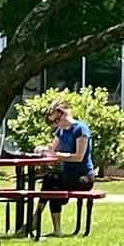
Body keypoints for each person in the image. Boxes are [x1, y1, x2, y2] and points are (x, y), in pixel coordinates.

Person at [34, 100, 94, 238]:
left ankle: (36, 219)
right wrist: (43, 150)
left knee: (53, 184)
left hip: (83, 177)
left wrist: (57, 155)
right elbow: (52, 149)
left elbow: (79, 157)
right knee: (50, 181)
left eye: (56, 120)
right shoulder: (60, 131)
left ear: (64, 114)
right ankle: (51, 227)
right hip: (67, 175)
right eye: (52, 122)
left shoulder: (81, 129)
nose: (55, 124)